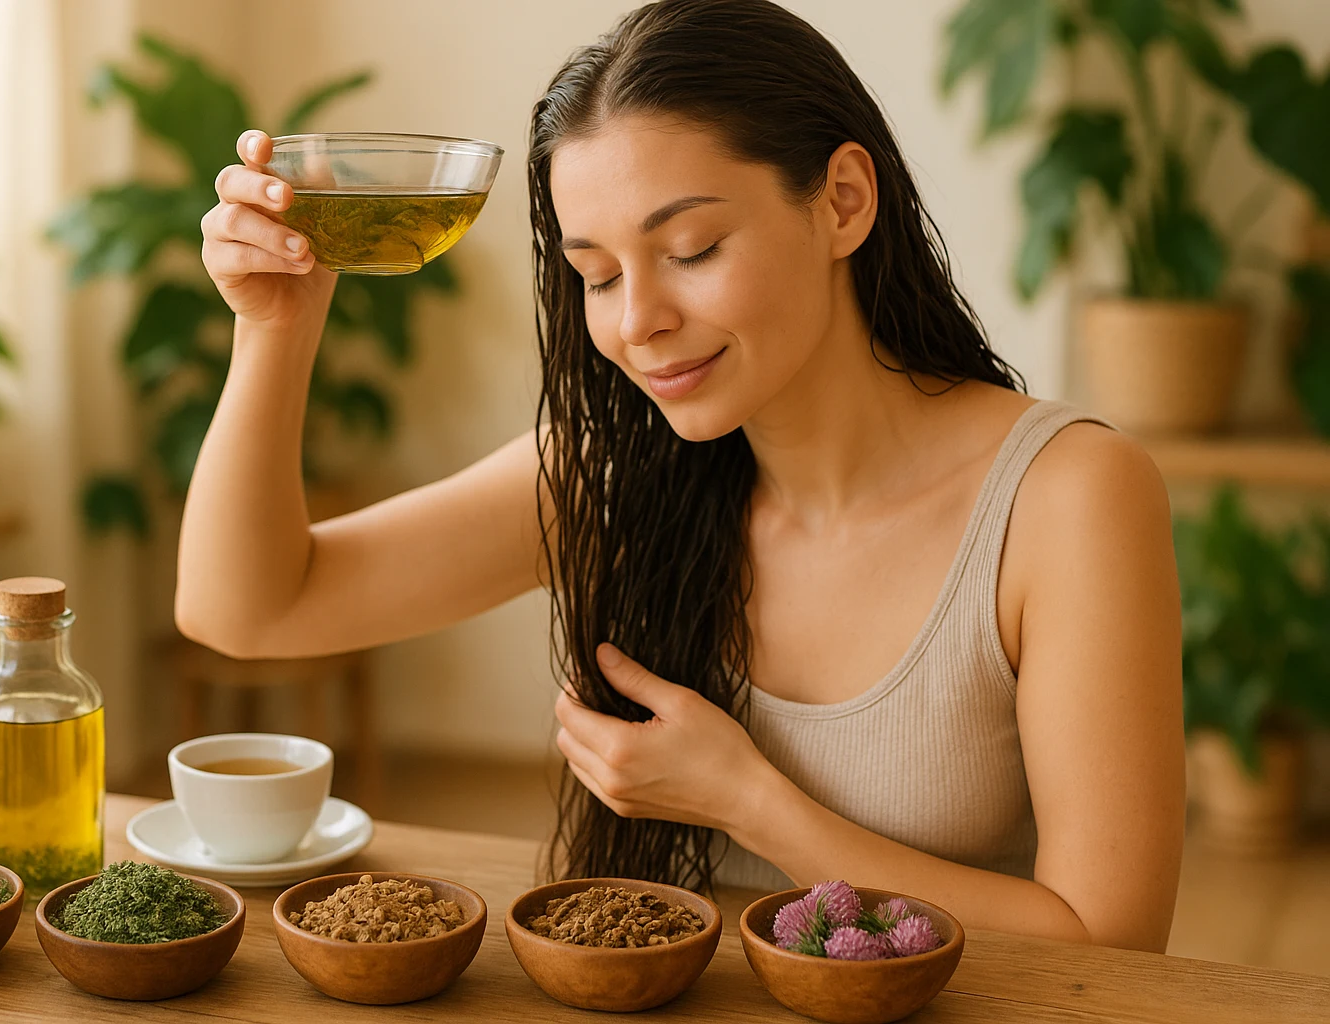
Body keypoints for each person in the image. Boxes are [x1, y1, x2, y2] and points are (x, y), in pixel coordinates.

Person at [176, 0, 1184, 952]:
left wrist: (748, 800)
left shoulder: (1066, 496)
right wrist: (275, 329)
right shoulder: (609, 478)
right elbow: (250, 611)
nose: (635, 320)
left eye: (691, 248)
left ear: (843, 201)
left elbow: (1111, 939)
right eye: (597, 275)